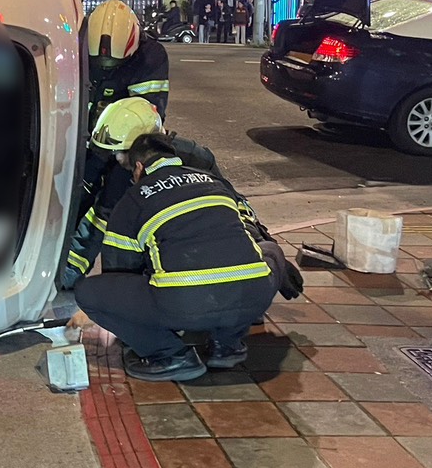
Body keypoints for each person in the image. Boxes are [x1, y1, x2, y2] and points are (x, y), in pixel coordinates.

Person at [73, 130, 288, 381]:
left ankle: (170, 356)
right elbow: (247, 232)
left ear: (140, 167)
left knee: (89, 292)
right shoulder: (214, 182)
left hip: (183, 307)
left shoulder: (134, 199)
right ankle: (226, 345)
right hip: (252, 298)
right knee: (272, 251)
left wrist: (139, 324)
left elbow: (119, 268)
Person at [79, 1, 170, 223]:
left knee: (113, 203)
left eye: (112, 62)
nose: (106, 65)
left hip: (127, 146)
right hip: (86, 139)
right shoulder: (78, 46)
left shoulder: (150, 58)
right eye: (100, 62)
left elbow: (144, 116)